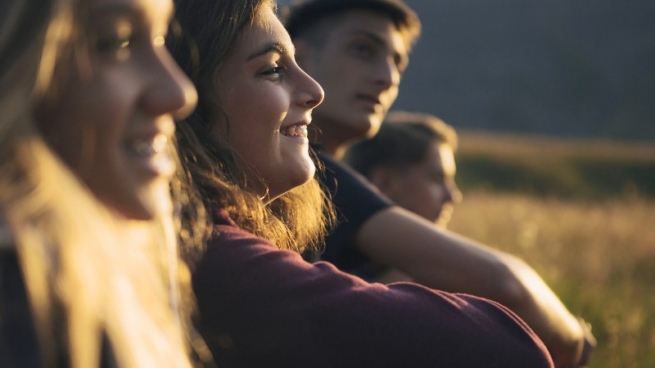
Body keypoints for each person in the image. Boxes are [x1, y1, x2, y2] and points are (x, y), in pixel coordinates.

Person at [170, 0, 553, 367]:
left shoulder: (255, 215)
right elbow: (507, 307)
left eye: (398, 62)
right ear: (185, 96)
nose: (313, 90)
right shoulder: (208, 246)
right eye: (273, 68)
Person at [284, 0, 595, 366]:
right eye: (362, 50)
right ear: (299, 57)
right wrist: (575, 342)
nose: (387, 76)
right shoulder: (313, 171)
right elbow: (507, 284)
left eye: (398, 62)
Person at [0, 0, 200, 366]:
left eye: (159, 38)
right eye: (115, 42)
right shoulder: (21, 295)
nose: (180, 93)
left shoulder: (104, 265)